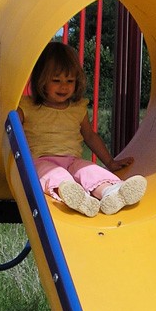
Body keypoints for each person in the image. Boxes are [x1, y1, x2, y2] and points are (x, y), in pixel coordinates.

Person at [17, 41, 146, 217]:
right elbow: (9, 129)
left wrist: (110, 162)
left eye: (70, 81)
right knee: (54, 175)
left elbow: (90, 136)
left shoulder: (77, 108)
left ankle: (111, 193)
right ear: (41, 80)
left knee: (88, 170)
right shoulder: (27, 107)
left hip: (71, 160)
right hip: (40, 160)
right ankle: (77, 196)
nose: (64, 86)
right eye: (56, 80)